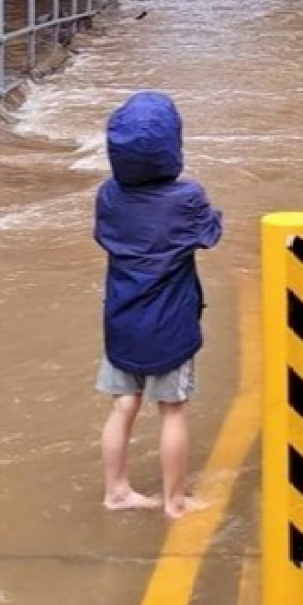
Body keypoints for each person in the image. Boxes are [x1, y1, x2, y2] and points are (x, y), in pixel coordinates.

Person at [94, 90, 223, 518]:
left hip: (122, 320)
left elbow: (106, 236)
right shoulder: (186, 198)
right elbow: (210, 233)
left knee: (123, 405)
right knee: (172, 411)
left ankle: (116, 491)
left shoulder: (109, 196)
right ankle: (174, 500)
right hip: (171, 325)